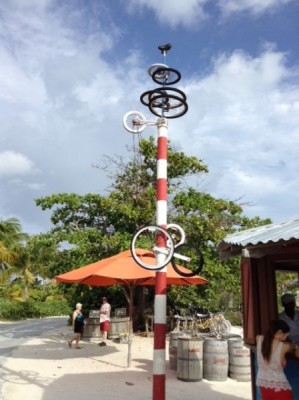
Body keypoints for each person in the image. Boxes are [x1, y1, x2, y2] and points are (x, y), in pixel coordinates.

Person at [256, 319, 299, 400]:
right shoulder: (284, 347)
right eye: (286, 335)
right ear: (280, 333)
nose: (286, 338)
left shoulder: (259, 339)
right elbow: (297, 352)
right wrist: (295, 345)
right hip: (280, 388)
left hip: (263, 386)